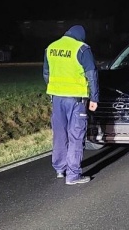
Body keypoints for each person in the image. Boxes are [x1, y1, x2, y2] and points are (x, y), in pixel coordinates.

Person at [43, 25, 99, 185]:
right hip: (76, 100)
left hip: (57, 98)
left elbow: (46, 74)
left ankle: (60, 169)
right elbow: (92, 75)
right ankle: (73, 175)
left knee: (59, 134)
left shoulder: (51, 47)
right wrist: (94, 99)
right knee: (76, 136)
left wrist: (55, 89)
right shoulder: (82, 49)